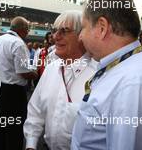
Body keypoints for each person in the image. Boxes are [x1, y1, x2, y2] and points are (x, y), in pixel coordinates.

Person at [71, 0, 142, 150]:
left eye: (83, 28)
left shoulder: (134, 85)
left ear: (102, 28)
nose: (80, 37)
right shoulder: (126, 72)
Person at [24, 10, 96, 150]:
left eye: (64, 31)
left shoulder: (98, 75)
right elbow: (35, 111)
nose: (55, 37)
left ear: (82, 36)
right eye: (55, 30)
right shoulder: (51, 69)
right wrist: (31, 144)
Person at [0, 16, 38, 150]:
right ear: (22, 30)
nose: (28, 33)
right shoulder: (18, 43)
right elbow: (23, 72)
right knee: (14, 130)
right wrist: (35, 73)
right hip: (13, 94)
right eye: (28, 29)